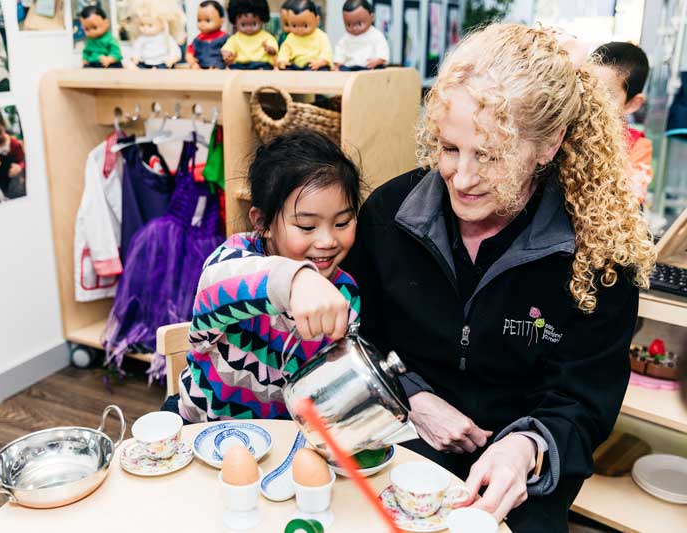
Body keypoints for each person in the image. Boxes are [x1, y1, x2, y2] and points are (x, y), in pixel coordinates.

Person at [343, 24, 655, 532]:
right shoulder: (390, 215)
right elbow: (356, 336)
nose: (461, 179)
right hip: (398, 446)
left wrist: (526, 446)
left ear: (548, 145)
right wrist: (412, 397)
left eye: (489, 156)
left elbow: (585, 399)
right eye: (448, 148)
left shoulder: (599, 253)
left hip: (520, 481)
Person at [162, 131, 361, 422]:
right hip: (197, 427)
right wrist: (296, 280)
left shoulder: (344, 295)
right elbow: (218, 284)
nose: (327, 240)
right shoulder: (233, 259)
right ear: (263, 222)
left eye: (342, 222)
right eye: (307, 227)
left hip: (280, 437)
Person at [593, 41, 652, 205]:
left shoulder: (637, 146)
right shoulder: (563, 130)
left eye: (606, 94)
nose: (592, 100)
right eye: (588, 87)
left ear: (633, 103)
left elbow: (630, 200)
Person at [333, 0, 389, 71]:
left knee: (379, 68)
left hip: (369, 65)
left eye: (359, 24)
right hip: (351, 66)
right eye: (348, 25)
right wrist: (338, 62)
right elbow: (340, 49)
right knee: (342, 69)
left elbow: (382, 50)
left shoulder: (376, 35)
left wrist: (378, 60)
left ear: (371, 17)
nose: (353, 28)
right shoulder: (346, 37)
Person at [221, 0, 278, 70]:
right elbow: (227, 48)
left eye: (254, 24)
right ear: (235, 22)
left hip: (261, 64)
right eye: (243, 25)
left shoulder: (266, 37)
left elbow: (274, 49)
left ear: (262, 20)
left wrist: (271, 49)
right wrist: (227, 54)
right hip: (240, 65)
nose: (249, 28)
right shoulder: (235, 38)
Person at [277, 0, 333, 71]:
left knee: (322, 69)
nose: (299, 30)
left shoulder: (321, 36)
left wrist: (320, 61)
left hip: (313, 65)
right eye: (294, 26)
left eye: (305, 25)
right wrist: (283, 60)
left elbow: (326, 51)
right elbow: (285, 50)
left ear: (317, 20)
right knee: (285, 69)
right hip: (296, 66)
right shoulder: (291, 37)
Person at [185, 0, 228, 69]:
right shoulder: (197, 40)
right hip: (201, 67)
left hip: (218, 67)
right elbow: (189, 52)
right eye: (199, 20)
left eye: (208, 20)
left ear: (221, 21)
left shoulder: (225, 38)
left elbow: (231, 52)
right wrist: (192, 62)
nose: (202, 24)